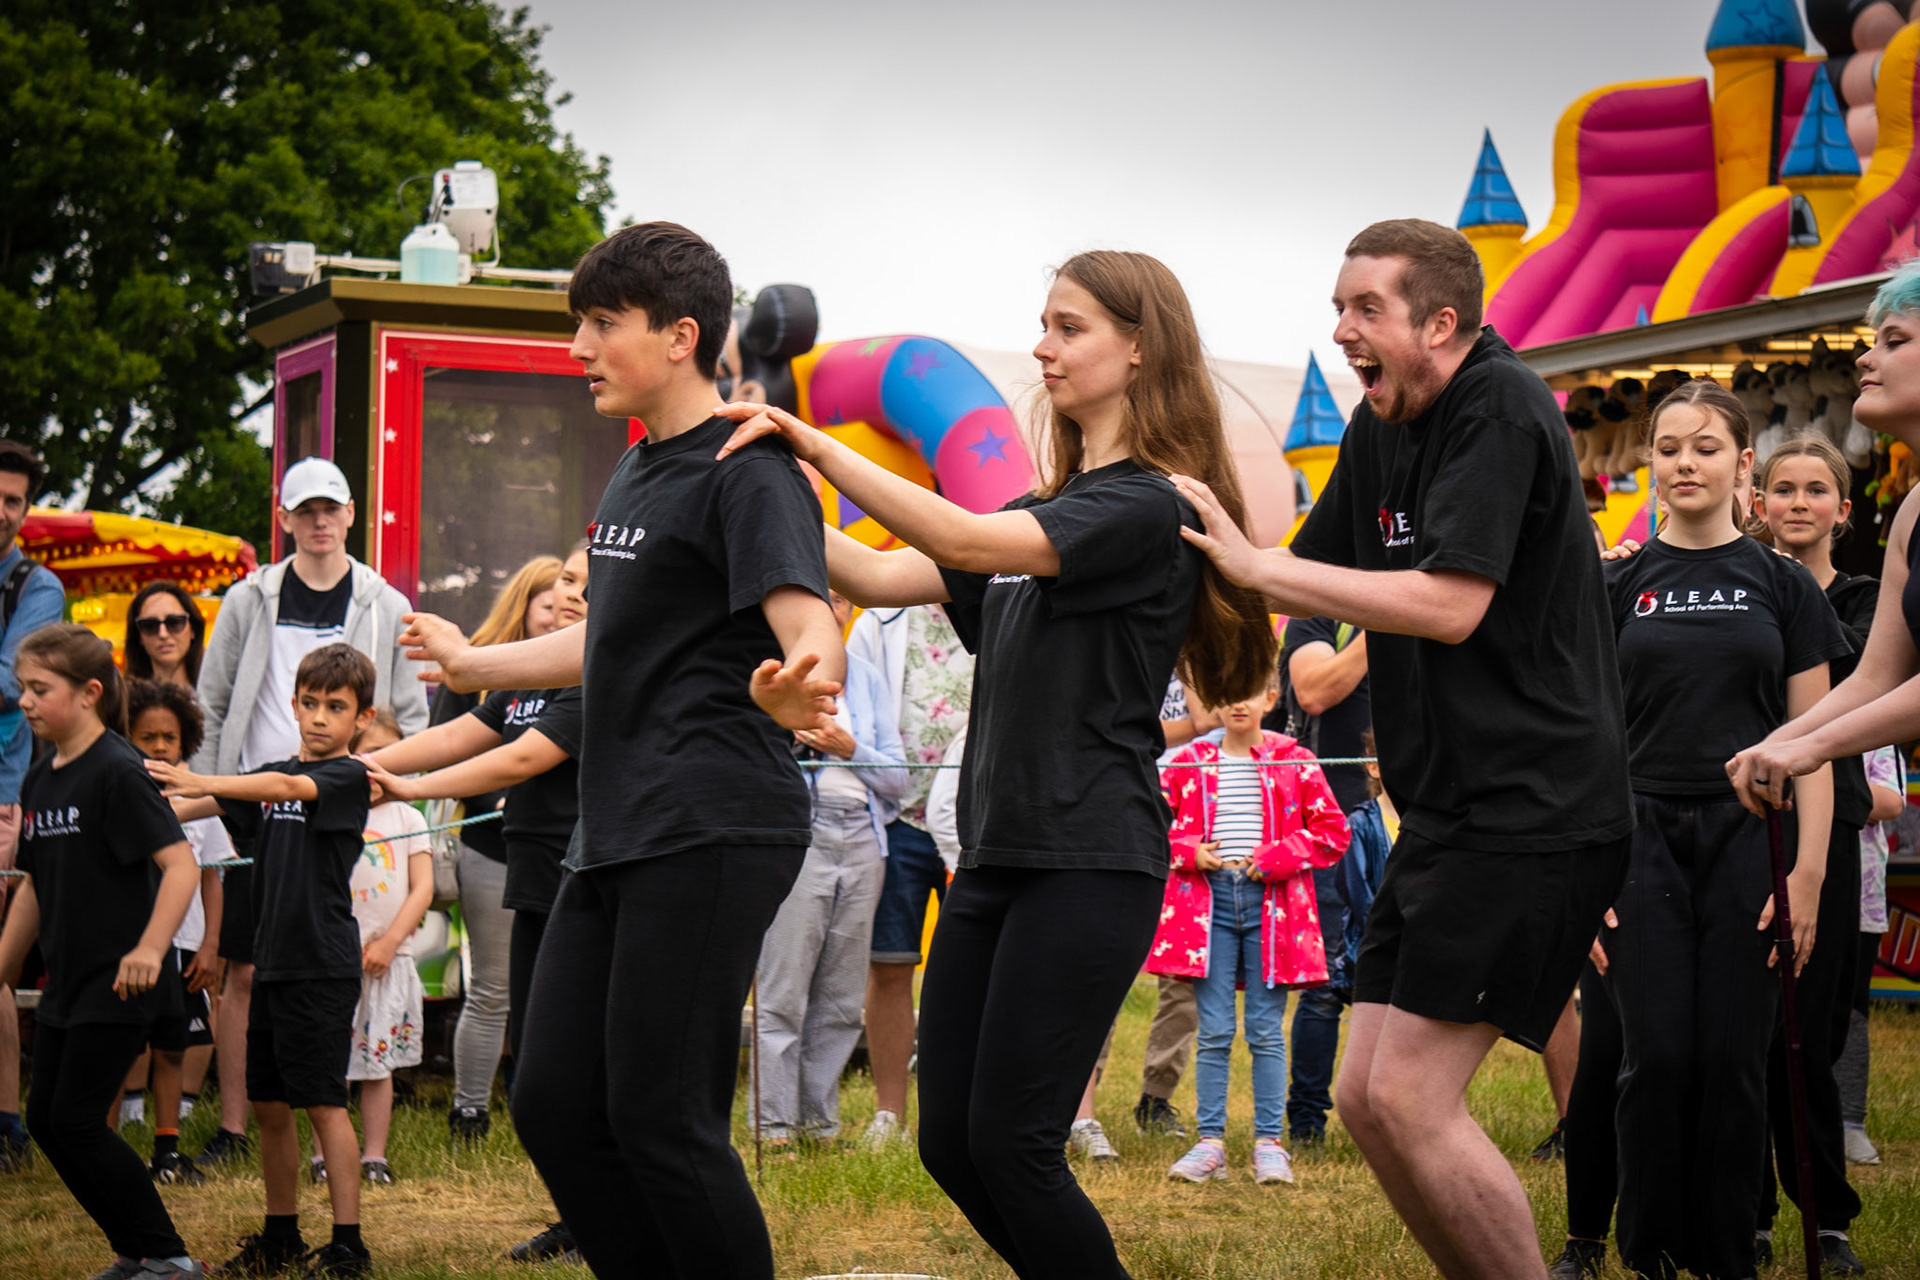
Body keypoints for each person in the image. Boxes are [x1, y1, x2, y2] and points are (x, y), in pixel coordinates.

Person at [714, 248, 1277, 1277]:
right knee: (950, 1141)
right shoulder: (1049, 503)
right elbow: (878, 572)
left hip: (1089, 859)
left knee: (1016, 1148)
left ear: (1139, 347)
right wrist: (758, 492)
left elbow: (969, 541)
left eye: (1069, 326)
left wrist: (814, 444)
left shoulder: (1145, 505)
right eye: (1045, 323)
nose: (1042, 346)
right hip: (997, 857)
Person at [1173, 219, 1633, 1280]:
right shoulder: (1381, 421)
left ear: (1440, 321)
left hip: (1534, 808)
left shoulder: (1499, 406)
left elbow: (1451, 603)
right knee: (1366, 1099)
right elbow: (1299, 566)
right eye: (1338, 307)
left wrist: (1263, 569)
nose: (1342, 329)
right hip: (1446, 814)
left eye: (1365, 308)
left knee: (1412, 1097)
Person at [396, 222, 845, 1280]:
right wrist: (473, 661)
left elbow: (809, 621)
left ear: (681, 336)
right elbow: (604, 639)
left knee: (662, 1118)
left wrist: (804, 679)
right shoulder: (638, 468)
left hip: (713, 823)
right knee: (554, 1101)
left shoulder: (750, 468)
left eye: (603, 323)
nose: (580, 348)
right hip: (618, 825)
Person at [1601, 379, 1846, 1279]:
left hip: (1754, 838)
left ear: (1742, 462)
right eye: (1668, 447)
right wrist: (1587, 876)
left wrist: (1809, 873)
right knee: (1658, 1055)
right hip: (1640, 840)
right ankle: (1653, 1250)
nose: (1684, 463)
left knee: (1735, 1057)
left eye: (1704, 448)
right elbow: (1587, 745)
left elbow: (1815, 741)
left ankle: (1728, 1251)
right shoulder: (1615, 583)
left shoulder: (1784, 585)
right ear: (1650, 460)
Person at [191, 455, 425, 1171]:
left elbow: (410, 714)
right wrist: (209, 805)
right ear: (283, 519)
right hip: (253, 815)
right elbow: (212, 702)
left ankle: (336, 1132)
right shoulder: (247, 598)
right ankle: (236, 1124)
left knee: (337, 966)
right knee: (243, 969)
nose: (319, 521)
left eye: (331, 508)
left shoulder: (386, 602)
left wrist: (388, 789)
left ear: (351, 514)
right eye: (305, 510)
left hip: (344, 818)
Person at [361, 544, 589, 1264]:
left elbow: (522, 758)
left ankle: (599, 1223)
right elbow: (455, 736)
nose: (570, 594)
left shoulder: (599, 669)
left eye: (587, 586)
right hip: (527, 873)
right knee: (540, 1072)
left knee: (568, 1070)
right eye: (566, 580)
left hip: (584, 882)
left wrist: (408, 789)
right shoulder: (525, 676)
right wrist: (355, 768)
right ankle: (578, 1218)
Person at [150, 643, 380, 1278]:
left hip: (321, 964)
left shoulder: (347, 777)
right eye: (309, 703)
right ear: (293, 704)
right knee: (270, 1106)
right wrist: (141, 804)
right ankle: (281, 1236)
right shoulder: (268, 778)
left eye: (336, 707)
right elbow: (187, 809)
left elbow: (284, 786)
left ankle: (349, 1246)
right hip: (272, 965)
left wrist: (203, 778)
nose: (320, 717)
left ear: (363, 717)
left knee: (324, 1104)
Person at [0, 624, 201, 1278]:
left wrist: (150, 949)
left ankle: (169, 1257)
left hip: (122, 981)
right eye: (22, 688)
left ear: (89, 692)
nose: (24, 701)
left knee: (79, 1121)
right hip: (69, 980)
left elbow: (181, 866)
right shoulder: (40, 779)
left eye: (40, 689)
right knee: (47, 1121)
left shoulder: (119, 770)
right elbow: (34, 885)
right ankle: (137, 1252)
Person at [1751, 434, 1875, 1272]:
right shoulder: (1737, 587)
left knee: (1811, 1037)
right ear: (1759, 503)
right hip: (1745, 822)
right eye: (1784, 489)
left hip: (1827, 834)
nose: (1799, 503)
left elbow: (1856, 679)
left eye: (1816, 490)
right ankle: (1752, 1208)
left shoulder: (1866, 601)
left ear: (1843, 509)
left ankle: (1825, 1216)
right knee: (1750, 1029)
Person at [1153, 678, 1350, 1186]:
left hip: (1274, 906)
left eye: (1251, 692)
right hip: (1208, 904)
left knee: (1265, 1029)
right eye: (1228, 693)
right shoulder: (1187, 762)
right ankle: (1210, 1145)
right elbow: (1148, 825)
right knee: (1215, 1029)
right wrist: (1188, 851)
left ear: (1270, 699)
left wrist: (1279, 857)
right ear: (1214, 703)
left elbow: (1333, 832)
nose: (1238, 703)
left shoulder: (1295, 759)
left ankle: (1269, 1144)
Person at [753, 588, 907, 1145]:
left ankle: (818, 1125)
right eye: (822, 597)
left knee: (842, 996)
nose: (833, 609)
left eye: (842, 600)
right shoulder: (767, 672)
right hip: (796, 830)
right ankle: (774, 1127)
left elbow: (900, 778)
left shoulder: (864, 674)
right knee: (783, 988)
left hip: (864, 833)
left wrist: (849, 747)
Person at [430, 553, 566, 1145]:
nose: (560, 610)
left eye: (575, 594)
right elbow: (451, 743)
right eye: (551, 600)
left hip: (562, 854)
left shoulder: (586, 671)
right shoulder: (494, 672)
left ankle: (539, 1105)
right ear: (524, 605)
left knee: (552, 992)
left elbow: (532, 757)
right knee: (491, 988)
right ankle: (469, 1111)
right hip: (491, 847)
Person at [845, 602, 972, 1149]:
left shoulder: (999, 606)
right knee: (890, 965)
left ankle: (964, 1111)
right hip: (896, 820)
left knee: (978, 970)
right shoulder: (880, 619)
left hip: (976, 821)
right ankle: (889, 1113)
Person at [125, 679, 228, 1188]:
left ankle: (167, 1150)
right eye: (148, 737)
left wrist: (210, 945)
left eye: (170, 737)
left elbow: (213, 876)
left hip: (185, 946)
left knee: (172, 1045)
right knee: (123, 1045)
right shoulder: (119, 792)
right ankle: (111, 1146)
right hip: (130, 945)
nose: (161, 746)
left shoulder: (200, 798)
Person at [0, 440, 68, 1172]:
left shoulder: (35, 587)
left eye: (13, 500)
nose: (1, 511)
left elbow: (9, 684)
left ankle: (6, 1123)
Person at [1275, 616, 1368, 1147]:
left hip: (1417, 816)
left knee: (1407, 985)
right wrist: (1385, 625)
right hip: (1335, 822)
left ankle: (1398, 1114)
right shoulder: (1319, 616)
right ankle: (1307, 1123)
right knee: (1326, 985)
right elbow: (1313, 692)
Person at [333, 708, 431, 1188]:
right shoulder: (332, 812)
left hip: (385, 961)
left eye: (391, 757)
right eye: (368, 755)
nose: (378, 767)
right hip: (336, 958)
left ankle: (374, 1156)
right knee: (331, 1062)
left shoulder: (409, 816)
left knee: (377, 1065)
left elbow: (423, 888)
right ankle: (326, 1154)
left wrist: (390, 943)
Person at [1837, 744, 1902, 1167]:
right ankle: (1782, 1115)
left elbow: (1891, 802)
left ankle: (1849, 1121)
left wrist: (1819, 787)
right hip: (1788, 894)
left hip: (1860, 900)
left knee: (1850, 1010)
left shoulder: (1875, 736)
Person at [123, 582, 207, 690]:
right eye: (149, 626)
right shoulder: (123, 698)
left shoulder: (219, 692)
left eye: (174, 623)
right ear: (139, 636)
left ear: (193, 630)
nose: (163, 634)